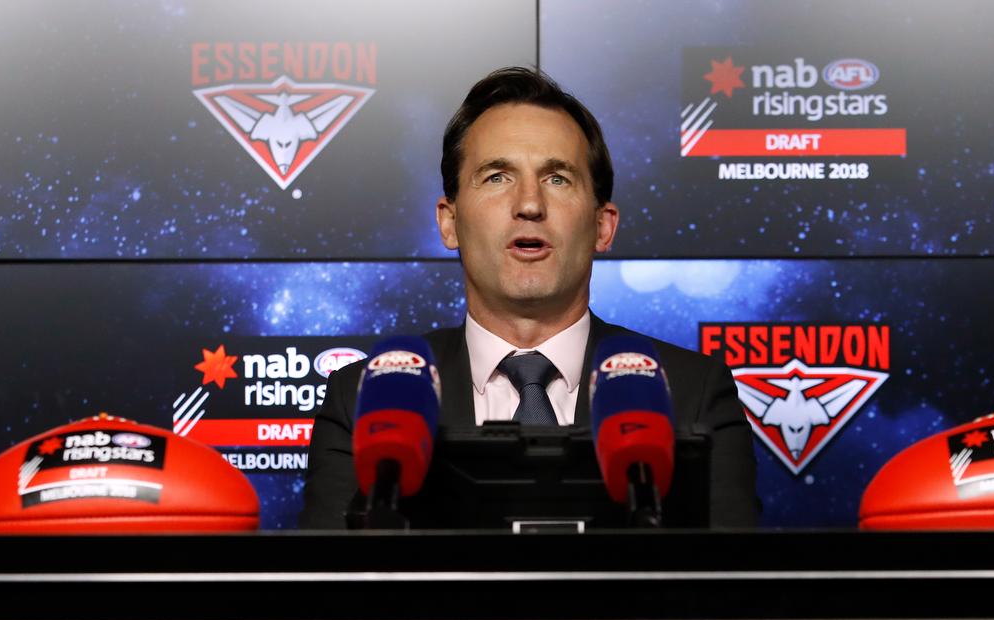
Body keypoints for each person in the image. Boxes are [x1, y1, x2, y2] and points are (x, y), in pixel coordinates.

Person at [300, 67, 759, 528]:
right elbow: (330, 591)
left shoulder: (693, 392)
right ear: (447, 222)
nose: (529, 204)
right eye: (497, 176)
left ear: (603, 225)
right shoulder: (361, 397)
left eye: (558, 179)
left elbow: (736, 591)